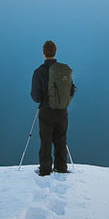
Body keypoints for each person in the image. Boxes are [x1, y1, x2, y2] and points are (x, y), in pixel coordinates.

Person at [30, 40, 75, 176]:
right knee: (61, 139)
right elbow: (71, 89)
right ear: (55, 52)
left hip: (46, 111)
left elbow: (35, 97)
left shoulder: (39, 72)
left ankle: (45, 169)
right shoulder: (63, 70)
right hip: (62, 110)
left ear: (43, 53)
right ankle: (61, 167)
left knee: (46, 140)